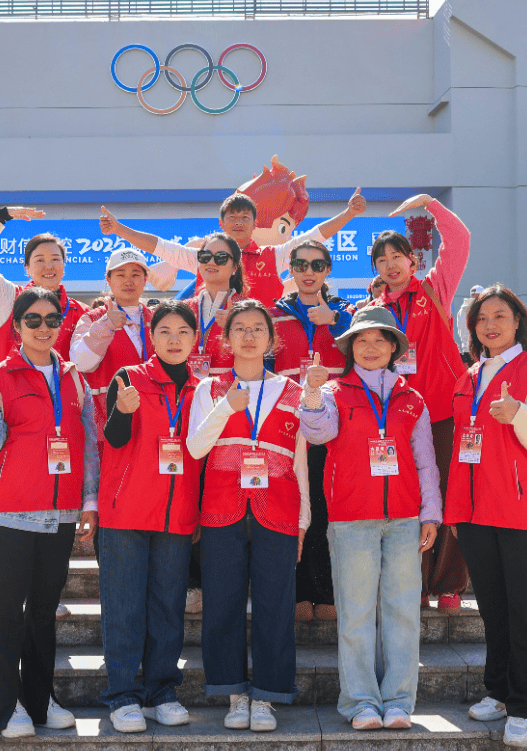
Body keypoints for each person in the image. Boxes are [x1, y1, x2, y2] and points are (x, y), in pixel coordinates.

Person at [298, 305, 441, 731]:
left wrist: (430, 512)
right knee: (356, 612)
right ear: (350, 348)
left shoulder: (411, 398)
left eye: (381, 340)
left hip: (404, 520)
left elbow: (425, 461)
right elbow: (317, 433)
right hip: (350, 518)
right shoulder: (334, 393)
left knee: (401, 612)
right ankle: (360, 701)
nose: (372, 347)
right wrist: (309, 394)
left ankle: (398, 701)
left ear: (395, 347)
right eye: (362, 340)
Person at [0, 286, 98, 738]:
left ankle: (40, 701)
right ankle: (6, 709)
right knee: (5, 611)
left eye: (51, 319)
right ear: (18, 326)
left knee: (43, 611)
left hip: (60, 513)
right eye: (33, 320)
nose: (44, 327)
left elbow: (89, 446)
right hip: (13, 512)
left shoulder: (75, 377)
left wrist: (89, 501)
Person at [444, 285, 527, 750]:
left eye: (500, 316)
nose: (490, 324)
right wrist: (454, 507)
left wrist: (516, 414)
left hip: (519, 508)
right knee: (493, 609)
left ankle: (524, 705)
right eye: (481, 318)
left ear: (518, 322)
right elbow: (460, 447)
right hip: (473, 510)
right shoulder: (470, 374)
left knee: (525, 610)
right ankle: (498, 690)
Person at [186, 299, 309, 733]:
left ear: (271, 339)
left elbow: (299, 463)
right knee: (223, 601)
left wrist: (303, 523)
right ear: (226, 338)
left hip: (278, 509)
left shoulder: (293, 392)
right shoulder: (210, 389)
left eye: (259, 328)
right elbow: (196, 448)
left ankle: (268, 696)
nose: (250, 335)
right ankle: (235, 692)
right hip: (222, 508)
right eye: (240, 328)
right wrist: (228, 407)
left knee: (276, 604)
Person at [98, 301, 203, 733]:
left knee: (167, 606)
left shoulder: (206, 389)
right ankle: (123, 696)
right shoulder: (128, 379)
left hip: (177, 514)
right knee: (123, 606)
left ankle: (162, 691)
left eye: (182, 332)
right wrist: (122, 410)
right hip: (126, 513)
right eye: (164, 331)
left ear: (195, 339)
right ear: (152, 336)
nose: (174, 339)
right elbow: (113, 439)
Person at [370, 194, 470, 615]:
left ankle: (447, 584)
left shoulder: (434, 288)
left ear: (413, 261)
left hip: (445, 413)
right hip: (397, 420)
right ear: (374, 269)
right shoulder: (371, 313)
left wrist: (432, 204)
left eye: (398, 256)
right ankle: (414, 582)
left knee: (449, 497)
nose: (391, 264)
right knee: (407, 501)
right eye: (382, 259)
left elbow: (459, 240)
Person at [99, 188, 368, 307]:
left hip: (264, 348)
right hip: (213, 350)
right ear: (222, 222)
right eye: (233, 217)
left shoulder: (273, 256)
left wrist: (348, 214)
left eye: (245, 218)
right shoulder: (205, 259)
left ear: (255, 223)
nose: (239, 223)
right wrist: (119, 229)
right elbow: (162, 248)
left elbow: (314, 236)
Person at [272, 241, 352, 623]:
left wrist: (335, 322)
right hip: (288, 425)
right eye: (301, 264)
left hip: (332, 424)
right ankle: (299, 588)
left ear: (327, 270)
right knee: (294, 505)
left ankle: (325, 590)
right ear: (291, 269)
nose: (308, 271)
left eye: (317, 265)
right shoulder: (275, 315)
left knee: (325, 508)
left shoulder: (344, 313)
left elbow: (370, 347)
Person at [0, 208, 90, 365]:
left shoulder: (81, 312)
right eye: (39, 260)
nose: (49, 266)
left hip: (62, 389)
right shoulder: (9, 297)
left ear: (64, 265)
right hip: (10, 388)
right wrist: (0, 217)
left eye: (55, 259)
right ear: (27, 267)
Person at [70, 248, 156, 441]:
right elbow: (81, 363)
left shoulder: (158, 319)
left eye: (135, 274)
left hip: (150, 421)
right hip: (105, 425)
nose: (128, 281)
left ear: (145, 279)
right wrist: (105, 326)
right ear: (108, 279)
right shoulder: (93, 318)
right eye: (120, 274)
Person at [183, 232, 246, 382]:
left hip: (230, 396)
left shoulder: (248, 310)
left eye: (221, 258)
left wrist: (237, 329)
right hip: (189, 396)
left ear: (234, 267)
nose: (211, 262)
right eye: (205, 256)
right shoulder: (184, 309)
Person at [457, 285, 484, 358]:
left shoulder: (462, 310)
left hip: (467, 351)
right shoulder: (480, 309)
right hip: (479, 350)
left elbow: (461, 331)